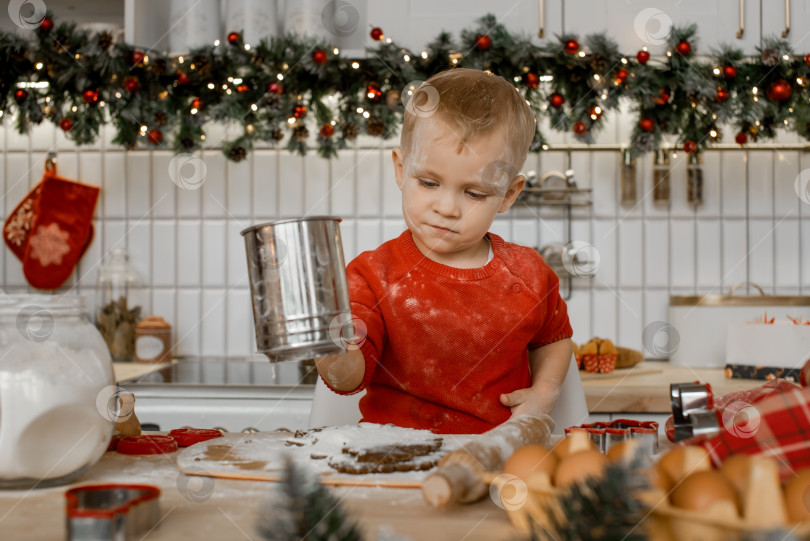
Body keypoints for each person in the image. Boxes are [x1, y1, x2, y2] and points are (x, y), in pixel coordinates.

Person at [315, 68, 574, 434]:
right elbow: (348, 378)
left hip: (495, 457)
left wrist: (544, 392)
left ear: (509, 195)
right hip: (393, 461)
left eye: (474, 193)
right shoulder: (373, 275)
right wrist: (330, 349)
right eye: (429, 183)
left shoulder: (529, 272)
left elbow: (554, 337)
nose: (447, 208)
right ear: (401, 169)